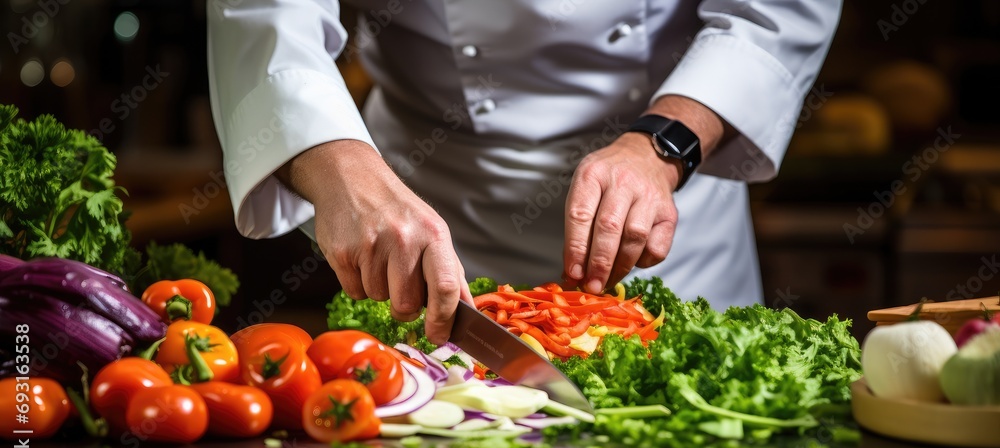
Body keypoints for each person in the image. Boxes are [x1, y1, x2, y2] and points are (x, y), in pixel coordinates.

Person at [206, 1, 842, 344]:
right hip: (424, 205)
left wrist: (662, 143)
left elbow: (777, 14)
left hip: (666, 217)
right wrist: (342, 170)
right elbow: (264, 17)